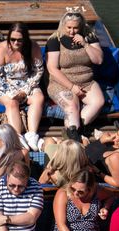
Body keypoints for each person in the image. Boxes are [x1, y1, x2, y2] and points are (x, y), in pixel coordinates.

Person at [46, 9, 104, 139]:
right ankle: (76, 138)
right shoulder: (55, 40)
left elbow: (99, 60)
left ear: (82, 26)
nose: (72, 31)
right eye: (69, 28)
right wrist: (72, 87)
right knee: (72, 106)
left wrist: (85, 44)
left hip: (86, 81)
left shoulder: (89, 36)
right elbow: (52, 69)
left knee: (98, 102)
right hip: (62, 82)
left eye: (76, 28)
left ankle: (73, 132)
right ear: (63, 25)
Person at [0, 22, 45, 150]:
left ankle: (32, 135)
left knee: (39, 98)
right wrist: (12, 94)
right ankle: (18, 138)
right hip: (4, 84)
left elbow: (38, 71)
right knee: (12, 103)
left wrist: (25, 91)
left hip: (26, 82)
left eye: (19, 40)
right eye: (12, 39)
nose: (15, 43)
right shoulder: (2, 49)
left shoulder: (33, 47)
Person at [82, 121, 119, 188]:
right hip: (85, 160)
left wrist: (98, 172)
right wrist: (101, 140)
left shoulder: (116, 158)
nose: (116, 139)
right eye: (117, 134)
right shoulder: (116, 143)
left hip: (91, 176)